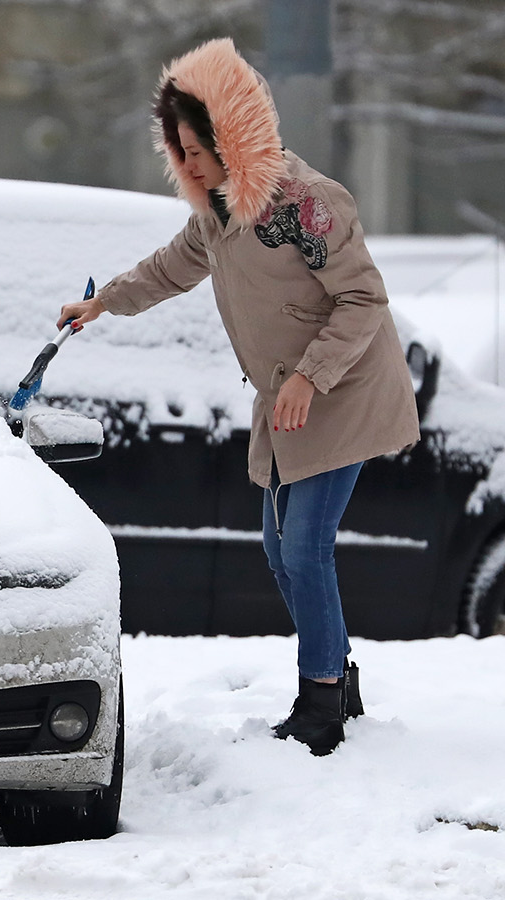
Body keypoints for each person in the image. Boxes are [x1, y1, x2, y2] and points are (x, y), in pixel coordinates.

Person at [57, 38, 419, 756]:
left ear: (235, 135)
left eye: (200, 147)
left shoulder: (307, 204)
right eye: (179, 151)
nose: (189, 165)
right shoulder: (216, 214)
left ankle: (320, 701)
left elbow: (362, 297)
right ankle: (337, 677)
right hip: (285, 399)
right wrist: (104, 305)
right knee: (280, 552)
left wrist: (311, 376)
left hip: (338, 390)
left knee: (305, 549)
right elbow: (172, 267)